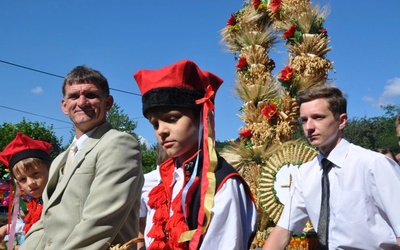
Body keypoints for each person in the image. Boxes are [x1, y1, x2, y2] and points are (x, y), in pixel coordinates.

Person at [133, 59, 257, 249]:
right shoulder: (162, 179)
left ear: (202, 117)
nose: (161, 131)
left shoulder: (223, 184)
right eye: (155, 124)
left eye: (172, 119)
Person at [20, 65, 144, 250]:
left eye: (91, 95)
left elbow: (99, 223)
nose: (82, 102)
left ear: (108, 103)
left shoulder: (119, 144)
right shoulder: (59, 159)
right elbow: (46, 224)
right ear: (64, 105)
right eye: (74, 96)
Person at [263, 85, 400, 249]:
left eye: (318, 117)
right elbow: (283, 230)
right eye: (304, 120)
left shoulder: (373, 164)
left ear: (341, 121)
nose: (309, 127)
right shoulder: (305, 173)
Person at [0, 132, 52, 248]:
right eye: (23, 179)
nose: (31, 183)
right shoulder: (36, 203)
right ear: (18, 183)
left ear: (50, 169)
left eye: (35, 174)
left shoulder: (57, 199)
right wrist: (7, 228)